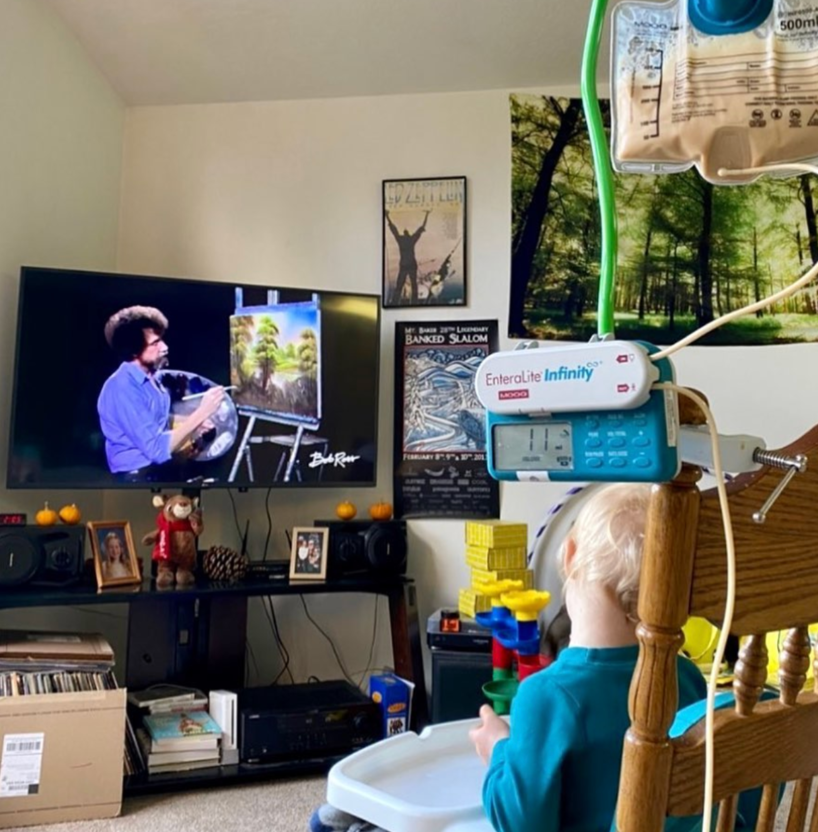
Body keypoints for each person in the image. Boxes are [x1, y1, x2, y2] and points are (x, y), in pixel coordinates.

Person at [308, 483, 712, 832]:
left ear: (569, 555)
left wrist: (498, 750)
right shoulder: (686, 676)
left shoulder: (546, 696)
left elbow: (519, 823)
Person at [97, 306, 225, 483]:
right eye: (155, 343)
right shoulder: (122, 388)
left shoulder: (152, 379)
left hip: (158, 470)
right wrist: (202, 412)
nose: (165, 347)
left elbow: (154, 420)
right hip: (136, 479)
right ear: (134, 350)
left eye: (161, 340)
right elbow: (157, 449)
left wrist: (194, 424)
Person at [385, 210, 430, 304]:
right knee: (412, 285)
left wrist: (387, 216)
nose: (406, 232)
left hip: (406, 265)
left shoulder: (402, 240)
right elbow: (421, 229)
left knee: (401, 285)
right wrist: (427, 215)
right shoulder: (410, 239)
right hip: (409, 265)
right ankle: (412, 302)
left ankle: (396, 302)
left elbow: (393, 229)